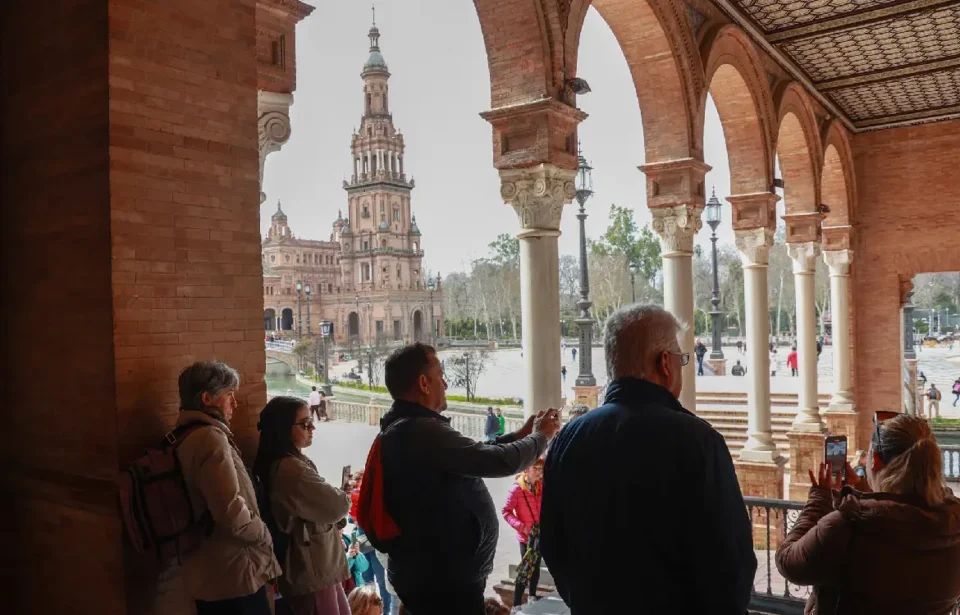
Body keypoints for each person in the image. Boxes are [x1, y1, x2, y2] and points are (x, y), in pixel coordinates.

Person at [540, 305, 755, 613]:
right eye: (681, 359)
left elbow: (553, 543)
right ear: (665, 363)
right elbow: (731, 562)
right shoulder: (699, 442)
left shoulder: (568, 439)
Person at [376, 343, 561, 615]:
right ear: (424, 383)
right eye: (440, 375)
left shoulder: (414, 427)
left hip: (441, 577)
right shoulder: (420, 431)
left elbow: (476, 453)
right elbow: (498, 461)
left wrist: (519, 436)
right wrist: (540, 437)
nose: (446, 383)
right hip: (442, 582)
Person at [776, 413, 960, 613]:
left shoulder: (848, 525)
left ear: (874, 462)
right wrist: (867, 495)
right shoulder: (953, 519)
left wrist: (819, 499)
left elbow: (789, 563)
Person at [175, 362, 280, 615]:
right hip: (233, 574)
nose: (235, 403)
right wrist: (263, 533)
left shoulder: (183, 435)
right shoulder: (210, 439)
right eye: (229, 394)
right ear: (207, 398)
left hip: (209, 570)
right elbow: (231, 512)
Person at [253, 395, 352, 615]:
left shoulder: (287, 462)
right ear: (283, 429)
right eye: (305, 423)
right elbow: (338, 505)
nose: (312, 427)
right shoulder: (291, 469)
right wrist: (342, 497)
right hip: (312, 568)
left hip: (316, 565)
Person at [501, 459, 544, 608]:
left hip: (539, 534)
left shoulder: (540, 486)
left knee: (536, 567)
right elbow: (506, 511)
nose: (539, 472)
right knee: (526, 570)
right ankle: (516, 604)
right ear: (526, 469)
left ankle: (532, 595)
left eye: (541, 468)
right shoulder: (517, 489)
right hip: (526, 537)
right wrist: (521, 526)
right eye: (536, 468)